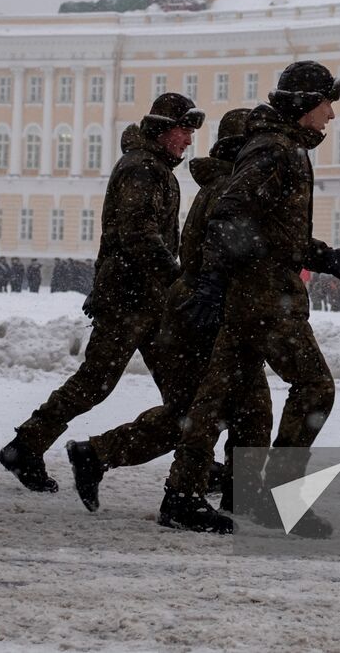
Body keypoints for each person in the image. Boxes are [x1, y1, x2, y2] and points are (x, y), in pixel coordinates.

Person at [160, 61, 340, 535]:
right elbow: (232, 212)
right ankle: (279, 500)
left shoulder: (280, 145)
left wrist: (330, 258)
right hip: (265, 296)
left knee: (213, 400)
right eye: (327, 103)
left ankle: (182, 495)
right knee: (315, 387)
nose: (331, 114)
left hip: (253, 291)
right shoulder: (276, 149)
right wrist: (223, 280)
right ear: (305, 104)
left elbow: (275, 231)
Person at [65, 108, 271, 513]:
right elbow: (212, 257)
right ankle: (202, 493)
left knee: (216, 410)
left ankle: (229, 491)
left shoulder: (227, 187)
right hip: (211, 317)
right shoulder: (227, 191)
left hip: (206, 314)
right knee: (217, 410)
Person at [0, 93, 203, 493]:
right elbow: (138, 234)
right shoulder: (142, 169)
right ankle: (27, 445)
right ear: (163, 129)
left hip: (148, 302)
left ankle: (194, 462)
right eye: (184, 131)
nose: (189, 141)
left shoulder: (155, 167)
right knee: (96, 383)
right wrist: (176, 279)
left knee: (185, 391)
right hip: (129, 300)